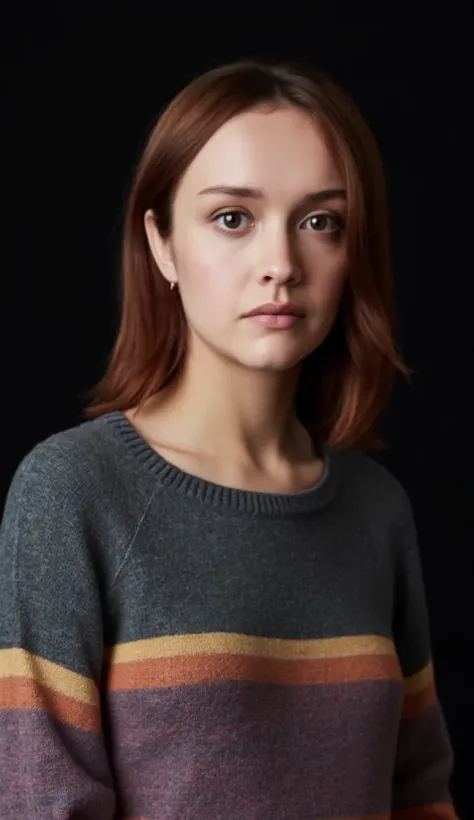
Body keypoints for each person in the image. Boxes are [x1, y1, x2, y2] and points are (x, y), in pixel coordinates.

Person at [0, 59, 457, 819]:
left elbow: (421, 794)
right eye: (232, 218)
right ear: (163, 245)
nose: (280, 265)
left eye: (320, 221)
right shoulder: (73, 494)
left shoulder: (377, 511)